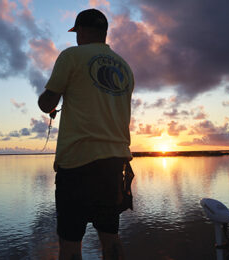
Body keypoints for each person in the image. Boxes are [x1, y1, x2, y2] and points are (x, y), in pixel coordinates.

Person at [38, 8, 135, 260]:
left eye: (76, 32)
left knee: (70, 243)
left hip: (77, 164)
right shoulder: (124, 67)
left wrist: (49, 101)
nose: (75, 38)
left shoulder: (71, 56)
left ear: (80, 30)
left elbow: (47, 102)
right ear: (104, 33)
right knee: (111, 238)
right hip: (114, 164)